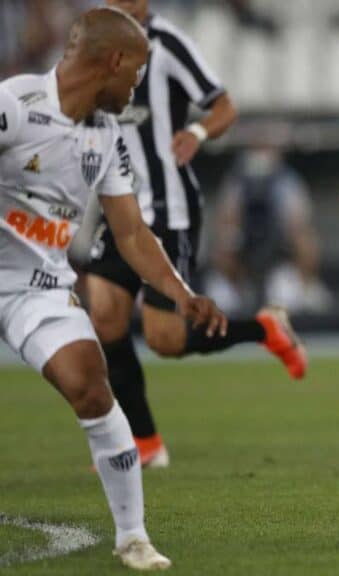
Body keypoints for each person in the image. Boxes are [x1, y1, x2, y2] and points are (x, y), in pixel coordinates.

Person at [0, 7, 229, 569]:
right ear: (115, 61)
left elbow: (130, 231)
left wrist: (179, 292)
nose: (137, 88)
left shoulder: (108, 138)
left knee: (93, 387)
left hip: (36, 286)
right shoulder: (14, 105)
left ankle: (133, 538)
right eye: (136, 75)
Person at [81, 0, 306, 469]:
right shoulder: (97, 47)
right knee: (104, 315)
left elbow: (224, 105)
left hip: (169, 210)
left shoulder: (167, 45)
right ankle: (145, 444)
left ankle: (261, 328)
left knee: (165, 338)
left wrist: (199, 132)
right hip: (120, 205)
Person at [209, 144, 330, 315]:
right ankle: (235, 290)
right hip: (243, 252)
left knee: (305, 242)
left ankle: (305, 288)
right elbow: (225, 219)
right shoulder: (236, 181)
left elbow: (299, 224)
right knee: (226, 240)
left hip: (280, 253)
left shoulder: (288, 181)